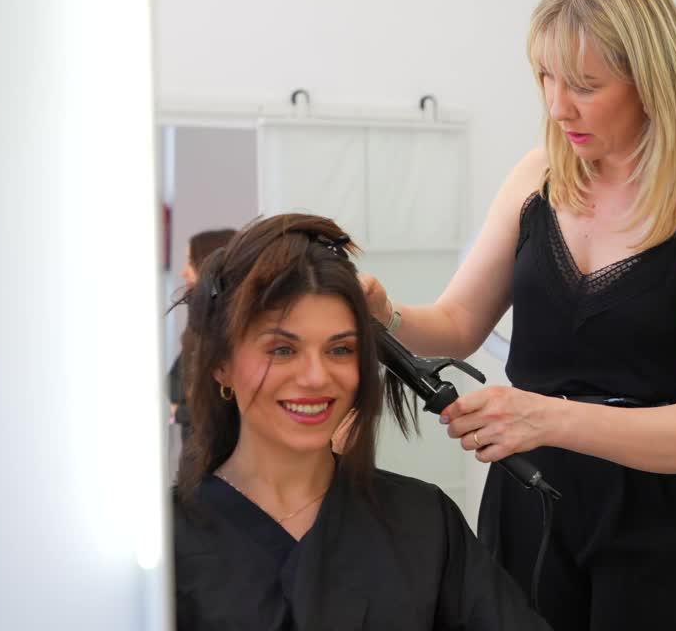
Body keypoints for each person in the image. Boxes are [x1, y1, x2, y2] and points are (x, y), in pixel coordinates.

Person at [361, 0, 676, 630]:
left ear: (649, 80)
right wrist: (386, 314)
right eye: (545, 76)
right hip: (529, 511)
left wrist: (545, 418)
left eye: (583, 83)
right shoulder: (536, 175)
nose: (556, 104)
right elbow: (457, 321)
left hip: (667, 538)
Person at [172, 213, 550, 631]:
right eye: (282, 350)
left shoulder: (422, 522)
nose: (317, 377)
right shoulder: (170, 542)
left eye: (340, 350)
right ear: (221, 365)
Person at [168, 227, 235, 434]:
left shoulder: (222, 324)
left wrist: (178, 412)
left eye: (190, 261)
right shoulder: (199, 319)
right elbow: (175, 381)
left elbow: (224, 403)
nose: (183, 271)